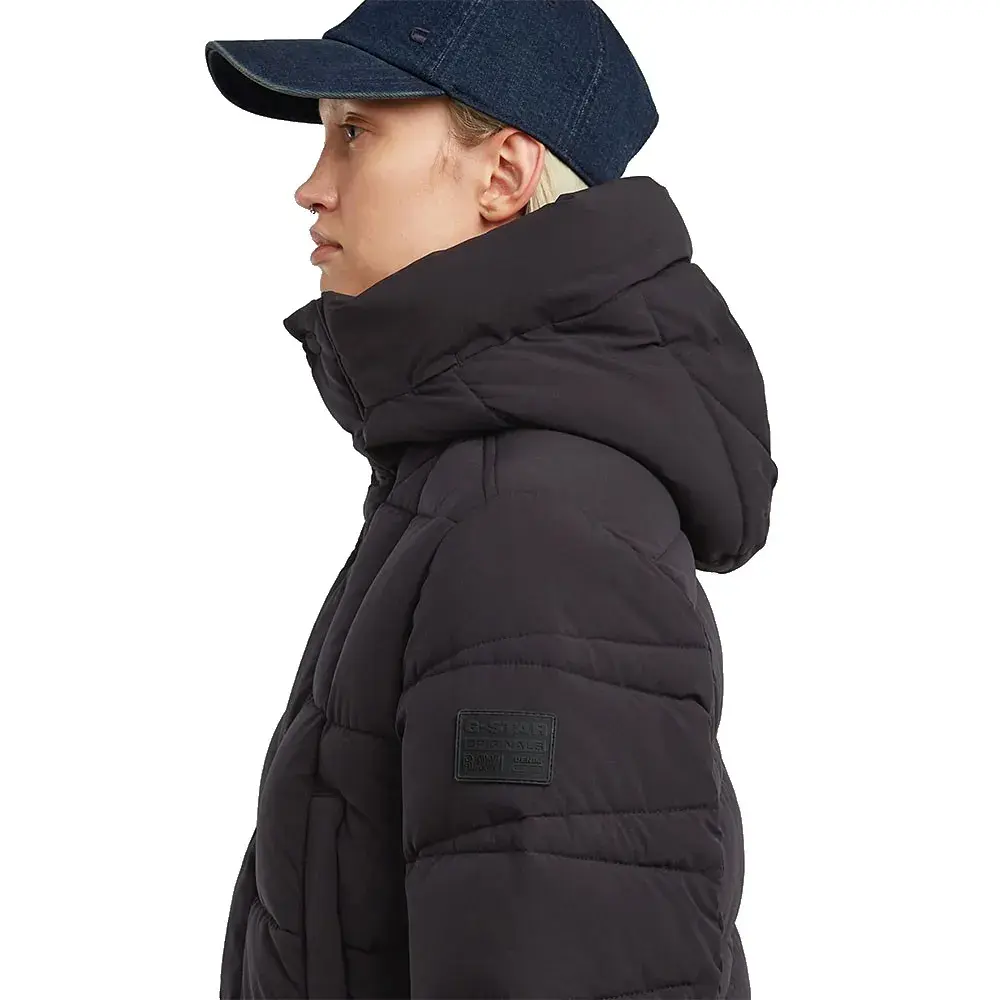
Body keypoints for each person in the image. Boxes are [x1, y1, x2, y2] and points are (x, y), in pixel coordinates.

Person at [204, 2, 777, 998]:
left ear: (504, 175)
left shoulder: (532, 529)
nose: (311, 186)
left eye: (356, 133)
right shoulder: (470, 485)